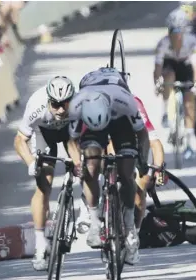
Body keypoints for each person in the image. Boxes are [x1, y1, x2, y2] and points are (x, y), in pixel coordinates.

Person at [66, 67, 150, 265]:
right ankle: (95, 221)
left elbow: (143, 135)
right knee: (91, 166)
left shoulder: (126, 102)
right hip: (92, 117)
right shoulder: (77, 105)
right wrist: (79, 163)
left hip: (120, 119)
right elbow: (71, 141)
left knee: (127, 171)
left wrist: (143, 160)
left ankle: (129, 226)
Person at [76, 95, 166, 237]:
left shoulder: (135, 106)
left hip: (132, 144)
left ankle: (134, 234)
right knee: (95, 164)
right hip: (106, 139)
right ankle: (91, 201)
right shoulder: (94, 106)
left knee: (139, 186)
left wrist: (158, 169)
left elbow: (154, 143)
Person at [13, 76, 76, 270]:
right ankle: (41, 243)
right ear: (49, 101)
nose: (60, 110)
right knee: (44, 187)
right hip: (43, 134)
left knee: (83, 165)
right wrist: (31, 163)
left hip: (69, 132)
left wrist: (81, 164)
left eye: (65, 104)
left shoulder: (78, 106)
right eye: (55, 105)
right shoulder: (36, 106)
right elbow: (19, 141)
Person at [154, 8, 196, 160]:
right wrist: (157, 82)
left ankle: (189, 140)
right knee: (168, 76)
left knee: (189, 101)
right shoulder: (163, 43)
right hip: (170, 66)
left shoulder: (192, 41)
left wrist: (195, 82)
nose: (175, 36)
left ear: (183, 32)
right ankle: (166, 113)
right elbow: (158, 67)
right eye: (172, 32)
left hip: (186, 66)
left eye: (178, 33)